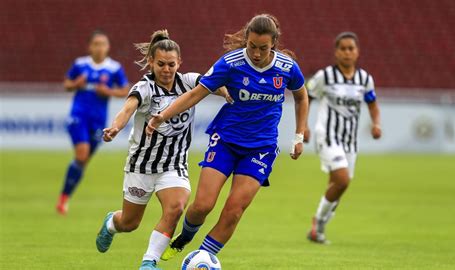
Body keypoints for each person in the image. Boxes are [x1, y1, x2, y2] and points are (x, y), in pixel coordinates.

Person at [145, 14, 309, 260]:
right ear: (246, 39)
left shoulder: (287, 68)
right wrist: (162, 115)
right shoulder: (230, 63)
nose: (256, 53)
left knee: (234, 211)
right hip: (225, 141)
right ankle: (185, 237)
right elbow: (196, 94)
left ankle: (201, 259)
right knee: (202, 206)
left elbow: (301, 96)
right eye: (252, 46)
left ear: (273, 43)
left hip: (261, 148)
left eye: (263, 48)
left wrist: (298, 135)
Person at [95, 30, 229, 270]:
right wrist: (115, 127)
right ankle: (111, 224)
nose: (166, 70)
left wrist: (224, 91)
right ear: (151, 63)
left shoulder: (187, 81)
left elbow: (211, 83)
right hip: (141, 166)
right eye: (160, 64)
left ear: (179, 63)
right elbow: (127, 108)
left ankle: (149, 262)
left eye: (171, 64)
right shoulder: (144, 88)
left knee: (176, 207)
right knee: (130, 222)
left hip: (174, 165)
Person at [305, 32, 382, 244]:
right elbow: (306, 96)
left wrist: (376, 123)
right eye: (343, 48)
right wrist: (303, 125)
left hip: (350, 141)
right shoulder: (325, 76)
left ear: (357, 52)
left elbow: (373, 104)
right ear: (336, 52)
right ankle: (318, 222)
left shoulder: (364, 79)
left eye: (351, 48)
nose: (347, 52)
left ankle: (318, 228)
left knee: (338, 185)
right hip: (328, 136)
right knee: (342, 179)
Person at [56, 30, 129, 215]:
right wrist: (75, 84)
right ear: (90, 47)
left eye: (103, 44)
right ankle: (63, 200)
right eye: (96, 44)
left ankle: (64, 198)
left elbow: (125, 90)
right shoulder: (80, 64)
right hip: (78, 116)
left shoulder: (114, 68)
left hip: (98, 121)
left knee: (82, 161)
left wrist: (109, 92)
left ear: (108, 47)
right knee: (82, 155)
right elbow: (66, 84)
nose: (99, 48)